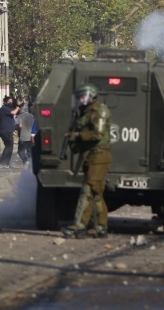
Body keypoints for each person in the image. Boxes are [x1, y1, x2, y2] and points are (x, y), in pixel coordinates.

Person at [62, 83, 112, 239]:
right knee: (96, 193)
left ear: (91, 96)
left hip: (99, 156)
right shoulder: (84, 113)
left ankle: (79, 225)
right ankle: (101, 227)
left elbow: (97, 134)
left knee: (87, 190)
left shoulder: (99, 110)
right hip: (90, 156)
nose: (80, 100)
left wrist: (77, 136)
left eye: (82, 97)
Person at [0, 96, 21, 168]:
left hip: (7, 130)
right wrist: (18, 107)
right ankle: (5, 163)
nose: (11, 102)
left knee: (8, 146)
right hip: (6, 131)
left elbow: (15, 113)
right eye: (9, 101)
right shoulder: (4, 108)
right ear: (5, 102)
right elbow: (14, 112)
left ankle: (2, 161)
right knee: (9, 147)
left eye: (11, 101)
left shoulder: (7, 108)